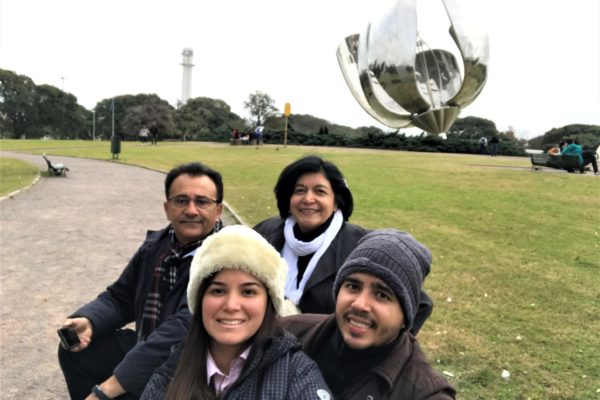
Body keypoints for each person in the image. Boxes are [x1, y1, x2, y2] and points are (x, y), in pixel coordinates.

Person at [58, 162, 225, 400]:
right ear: (167, 208)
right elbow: (120, 296)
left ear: (217, 210)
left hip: (196, 365)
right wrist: (89, 320)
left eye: (202, 201)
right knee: (76, 351)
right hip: (149, 341)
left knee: (123, 387)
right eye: (181, 201)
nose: (191, 210)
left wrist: (105, 391)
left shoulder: (226, 257)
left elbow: (183, 328)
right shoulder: (155, 248)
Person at [140, 225, 331, 400]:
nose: (231, 305)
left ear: (269, 302)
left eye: (248, 292)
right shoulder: (171, 369)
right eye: (218, 290)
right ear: (199, 300)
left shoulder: (297, 374)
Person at [254, 155, 433, 335]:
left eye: (320, 191)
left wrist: (383, 349)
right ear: (288, 199)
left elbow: (420, 304)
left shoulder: (363, 245)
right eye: (299, 190)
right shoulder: (267, 231)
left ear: (336, 202)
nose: (308, 199)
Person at [281, 229, 456, 399]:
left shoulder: (423, 392)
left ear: (406, 316)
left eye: (382, 294)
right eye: (353, 286)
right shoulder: (287, 334)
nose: (360, 304)